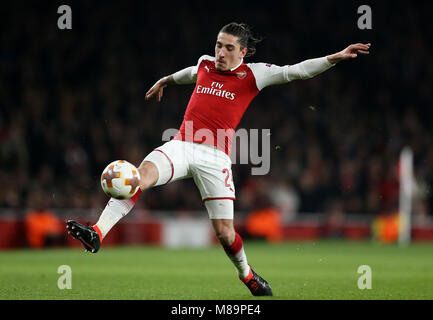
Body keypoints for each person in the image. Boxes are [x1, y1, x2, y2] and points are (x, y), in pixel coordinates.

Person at [67, 22, 370, 296]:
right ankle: (97, 233)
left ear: (244, 51)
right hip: (183, 143)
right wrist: (165, 81)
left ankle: (247, 274)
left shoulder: (255, 74)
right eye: (218, 45)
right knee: (139, 176)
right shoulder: (205, 64)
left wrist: (336, 57)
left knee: (225, 234)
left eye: (228, 48)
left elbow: (297, 70)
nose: (220, 53)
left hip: (216, 158)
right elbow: (188, 73)